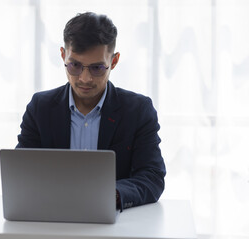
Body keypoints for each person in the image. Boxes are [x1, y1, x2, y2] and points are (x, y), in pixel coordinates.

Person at [16, 12, 166, 211]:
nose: (85, 79)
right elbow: (20, 172)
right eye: (75, 66)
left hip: (115, 224)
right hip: (52, 218)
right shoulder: (40, 107)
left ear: (114, 61)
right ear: (63, 55)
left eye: (97, 68)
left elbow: (152, 176)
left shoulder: (138, 110)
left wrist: (112, 194)